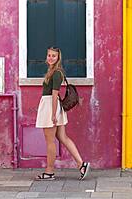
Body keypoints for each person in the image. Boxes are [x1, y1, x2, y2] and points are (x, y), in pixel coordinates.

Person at [35, 46, 90, 181]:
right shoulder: (53, 71)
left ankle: (49, 172)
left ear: (58, 57)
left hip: (51, 107)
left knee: (50, 142)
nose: (51, 58)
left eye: (54, 56)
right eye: (49, 55)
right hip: (52, 106)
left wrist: (53, 115)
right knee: (62, 137)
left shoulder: (56, 73)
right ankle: (81, 164)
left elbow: (54, 95)